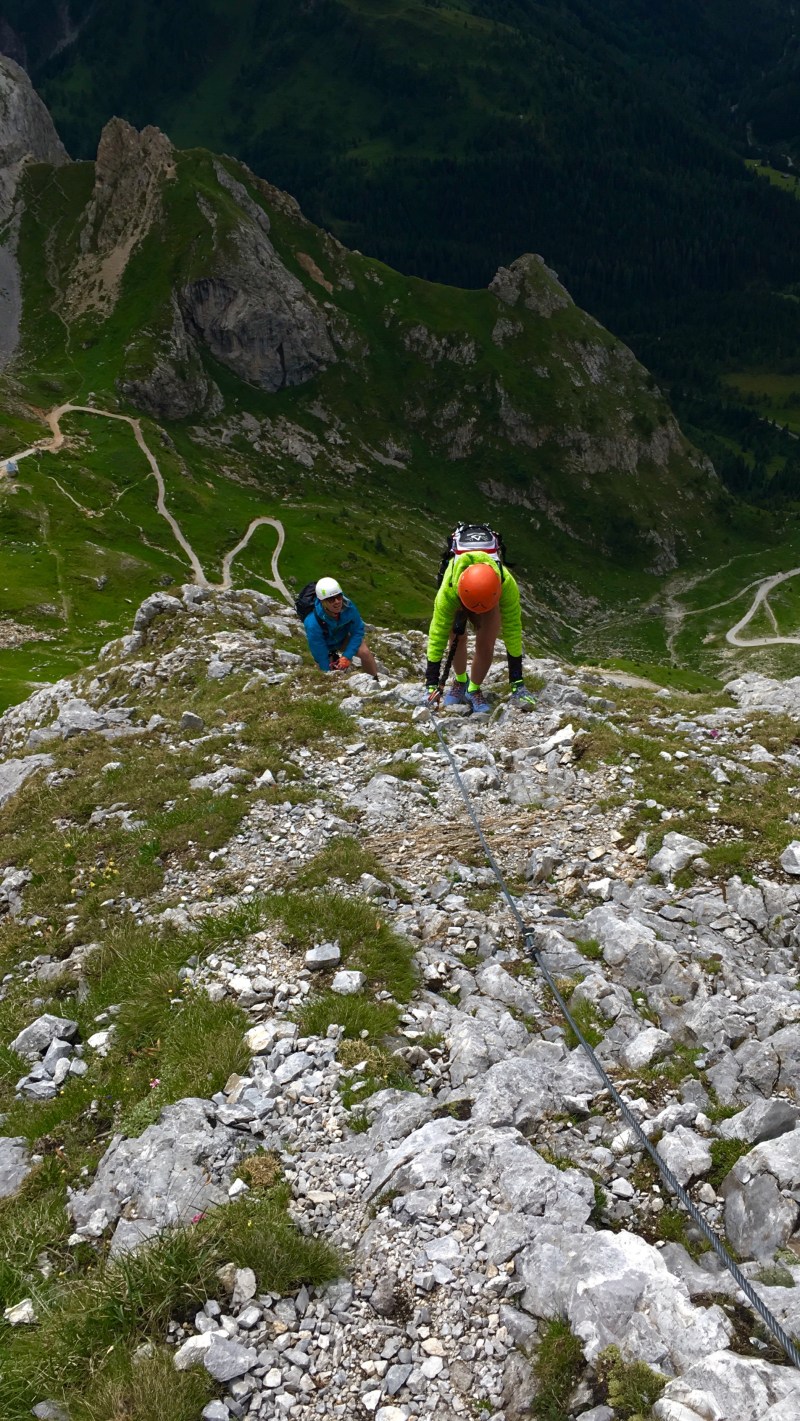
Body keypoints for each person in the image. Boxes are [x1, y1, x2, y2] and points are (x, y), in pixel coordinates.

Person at [424, 552, 536, 714]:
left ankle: (473, 689)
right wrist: (431, 685)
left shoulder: (506, 584)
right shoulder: (448, 592)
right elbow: (437, 636)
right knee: (456, 637)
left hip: (488, 598)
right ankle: (460, 681)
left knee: (486, 644)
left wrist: (517, 682)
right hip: (461, 596)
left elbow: (513, 630)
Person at [303, 577, 378, 677]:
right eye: (331, 599)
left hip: (342, 638)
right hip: (325, 645)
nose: (337, 601)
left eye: (339, 596)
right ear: (322, 602)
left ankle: (375, 681)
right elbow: (320, 654)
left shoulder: (348, 607)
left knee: (365, 653)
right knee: (326, 671)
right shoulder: (312, 623)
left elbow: (357, 631)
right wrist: (328, 673)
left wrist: (347, 656)